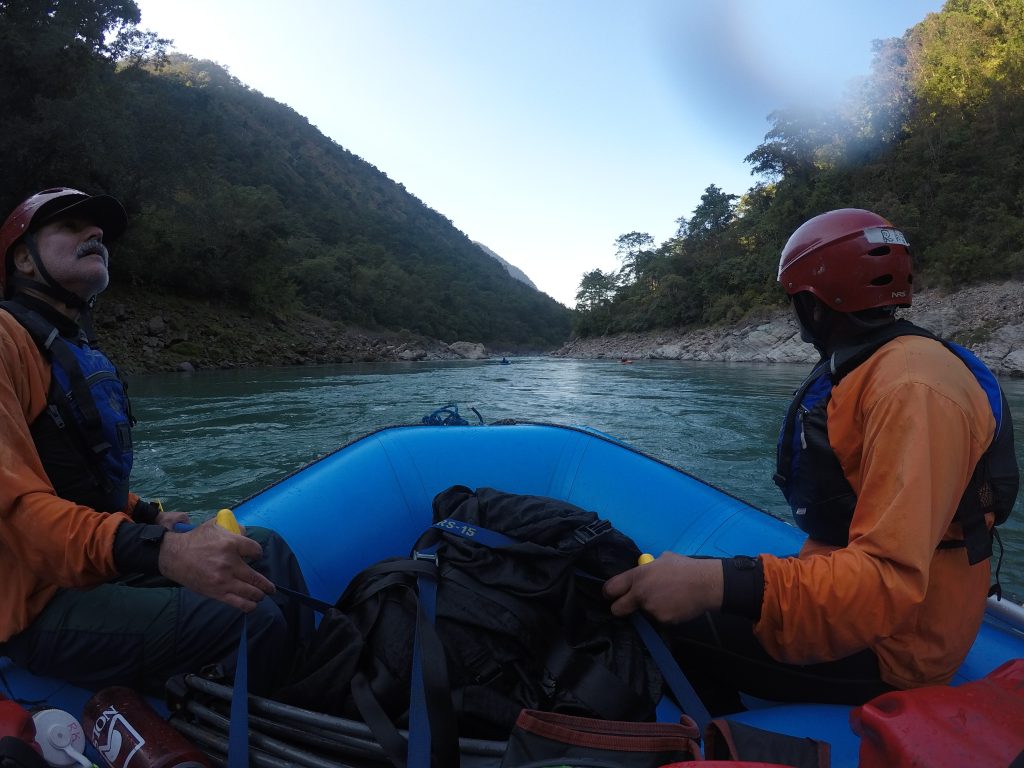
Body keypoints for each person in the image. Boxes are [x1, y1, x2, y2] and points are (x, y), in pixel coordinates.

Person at [605, 208, 1019, 710]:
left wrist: (718, 582)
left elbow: (887, 582)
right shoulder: (880, 364)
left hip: (896, 646)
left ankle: (720, 741)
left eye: (795, 303)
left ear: (815, 305)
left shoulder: (912, 388)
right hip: (868, 608)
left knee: (650, 620)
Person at [0, 187, 312, 695]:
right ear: (23, 259)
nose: (95, 236)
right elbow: (13, 510)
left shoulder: (65, 347)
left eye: (98, 232)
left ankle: (306, 694)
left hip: (85, 569)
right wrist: (162, 549)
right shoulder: (6, 342)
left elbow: (73, 479)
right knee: (249, 621)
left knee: (266, 551)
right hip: (32, 603)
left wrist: (145, 515)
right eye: (71, 227)